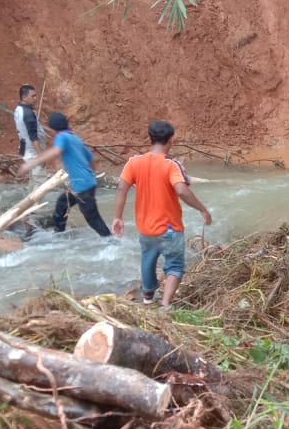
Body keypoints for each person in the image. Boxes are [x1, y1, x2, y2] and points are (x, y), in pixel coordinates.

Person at [111, 121, 212, 308]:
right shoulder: (172, 165)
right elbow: (181, 190)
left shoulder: (134, 162)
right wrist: (203, 209)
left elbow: (121, 189)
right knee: (174, 266)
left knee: (147, 261)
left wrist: (118, 217)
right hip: (170, 227)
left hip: (145, 228)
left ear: (150, 138)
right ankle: (165, 304)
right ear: (170, 140)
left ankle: (148, 298)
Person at [20, 113, 111, 237]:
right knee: (62, 204)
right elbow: (91, 159)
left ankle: (111, 240)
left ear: (53, 128)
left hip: (82, 186)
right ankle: (58, 234)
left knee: (93, 218)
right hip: (83, 184)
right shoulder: (75, 138)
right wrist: (91, 175)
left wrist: (32, 163)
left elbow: (57, 151)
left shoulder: (62, 136)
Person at [14, 84, 44, 171]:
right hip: (33, 151)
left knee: (33, 178)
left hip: (25, 148)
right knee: (39, 178)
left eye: (35, 96)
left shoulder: (18, 109)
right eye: (33, 96)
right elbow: (33, 136)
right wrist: (40, 155)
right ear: (24, 97)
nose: (35, 98)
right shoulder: (28, 114)